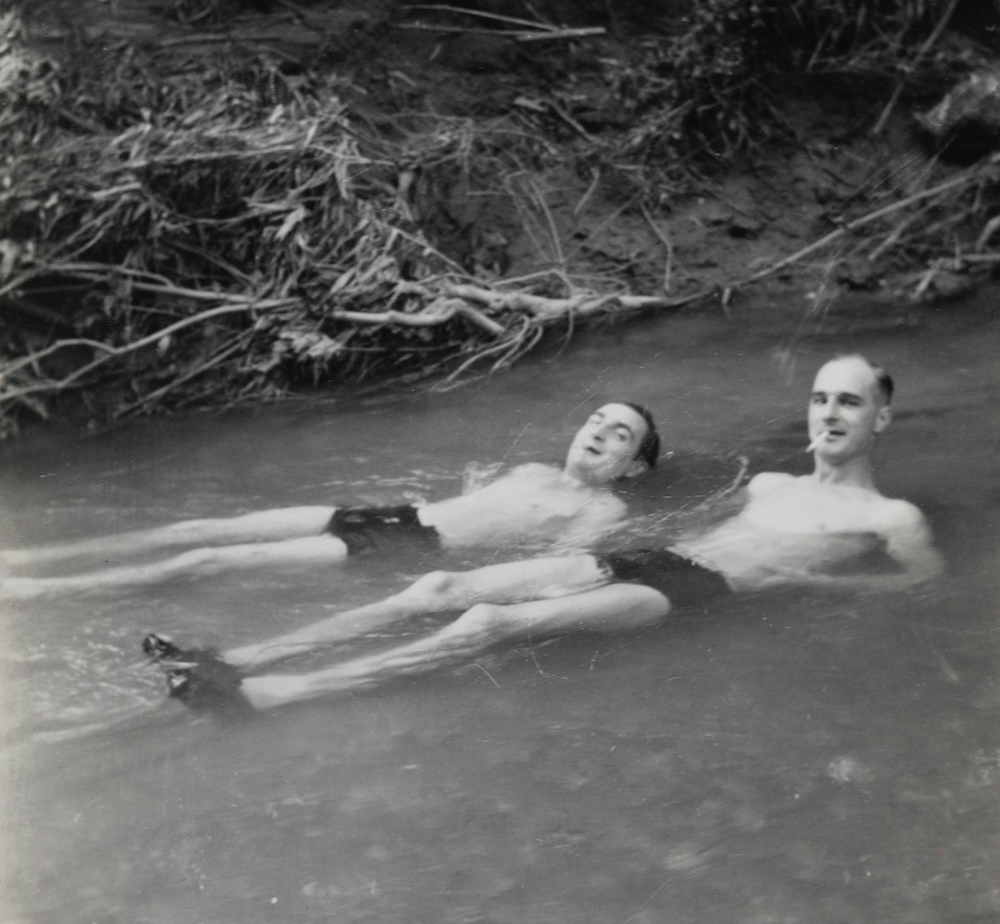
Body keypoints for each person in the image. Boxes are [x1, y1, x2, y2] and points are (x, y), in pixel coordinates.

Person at [148, 354, 941, 713]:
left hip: (703, 592)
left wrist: (811, 584)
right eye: (820, 400)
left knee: (490, 624)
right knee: (436, 585)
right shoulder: (770, 483)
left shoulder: (891, 518)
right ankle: (240, 657)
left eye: (849, 402)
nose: (829, 414)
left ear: (883, 418)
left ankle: (285, 693)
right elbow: (702, 527)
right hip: (652, 558)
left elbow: (925, 587)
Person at [0, 402, 660, 598]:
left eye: (620, 433)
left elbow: (553, 572)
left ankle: (38, 595)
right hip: (393, 516)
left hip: (408, 544)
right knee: (205, 525)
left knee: (206, 561)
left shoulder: (606, 511)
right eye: (597, 418)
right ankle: (37, 557)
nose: (599, 430)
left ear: (632, 469)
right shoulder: (531, 467)